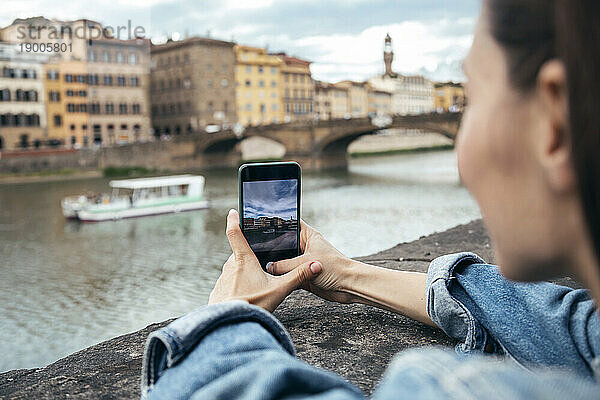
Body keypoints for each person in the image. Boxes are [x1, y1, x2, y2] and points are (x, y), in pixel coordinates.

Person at [140, 0, 600, 398]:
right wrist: (349, 275)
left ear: (552, 124)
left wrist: (220, 326)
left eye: (473, 99)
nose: (460, 162)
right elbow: (572, 330)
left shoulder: (442, 388)